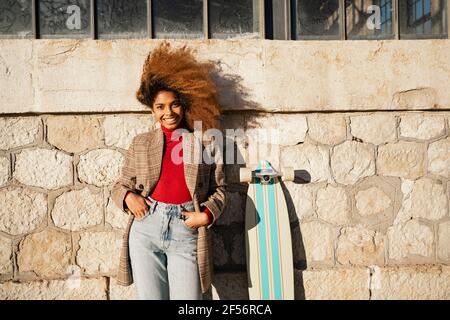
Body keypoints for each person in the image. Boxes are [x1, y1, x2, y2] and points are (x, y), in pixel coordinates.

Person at [111, 42, 227, 300]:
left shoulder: (205, 140)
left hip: (186, 230)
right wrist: (129, 198)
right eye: (160, 107)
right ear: (152, 110)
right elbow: (120, 185)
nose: (168, 112)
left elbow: (220, 189)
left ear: (184, 105)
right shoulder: (141, 142)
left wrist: (206, 215)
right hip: (145, 229)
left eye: (174, 105)